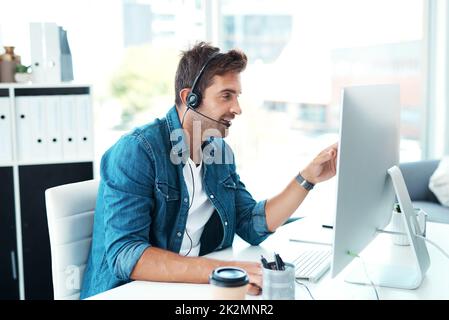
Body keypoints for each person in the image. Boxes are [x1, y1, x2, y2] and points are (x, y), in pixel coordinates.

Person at [80, 42, 338, 299]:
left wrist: (307, 178)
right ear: (189, 98)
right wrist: (225, 271)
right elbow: (126, 255)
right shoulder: (137, 151)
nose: (237, 108)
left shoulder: (218, 152)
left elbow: (250, 223)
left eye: (237, 96)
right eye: (226, 96)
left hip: (188, 287)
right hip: (130, 293)